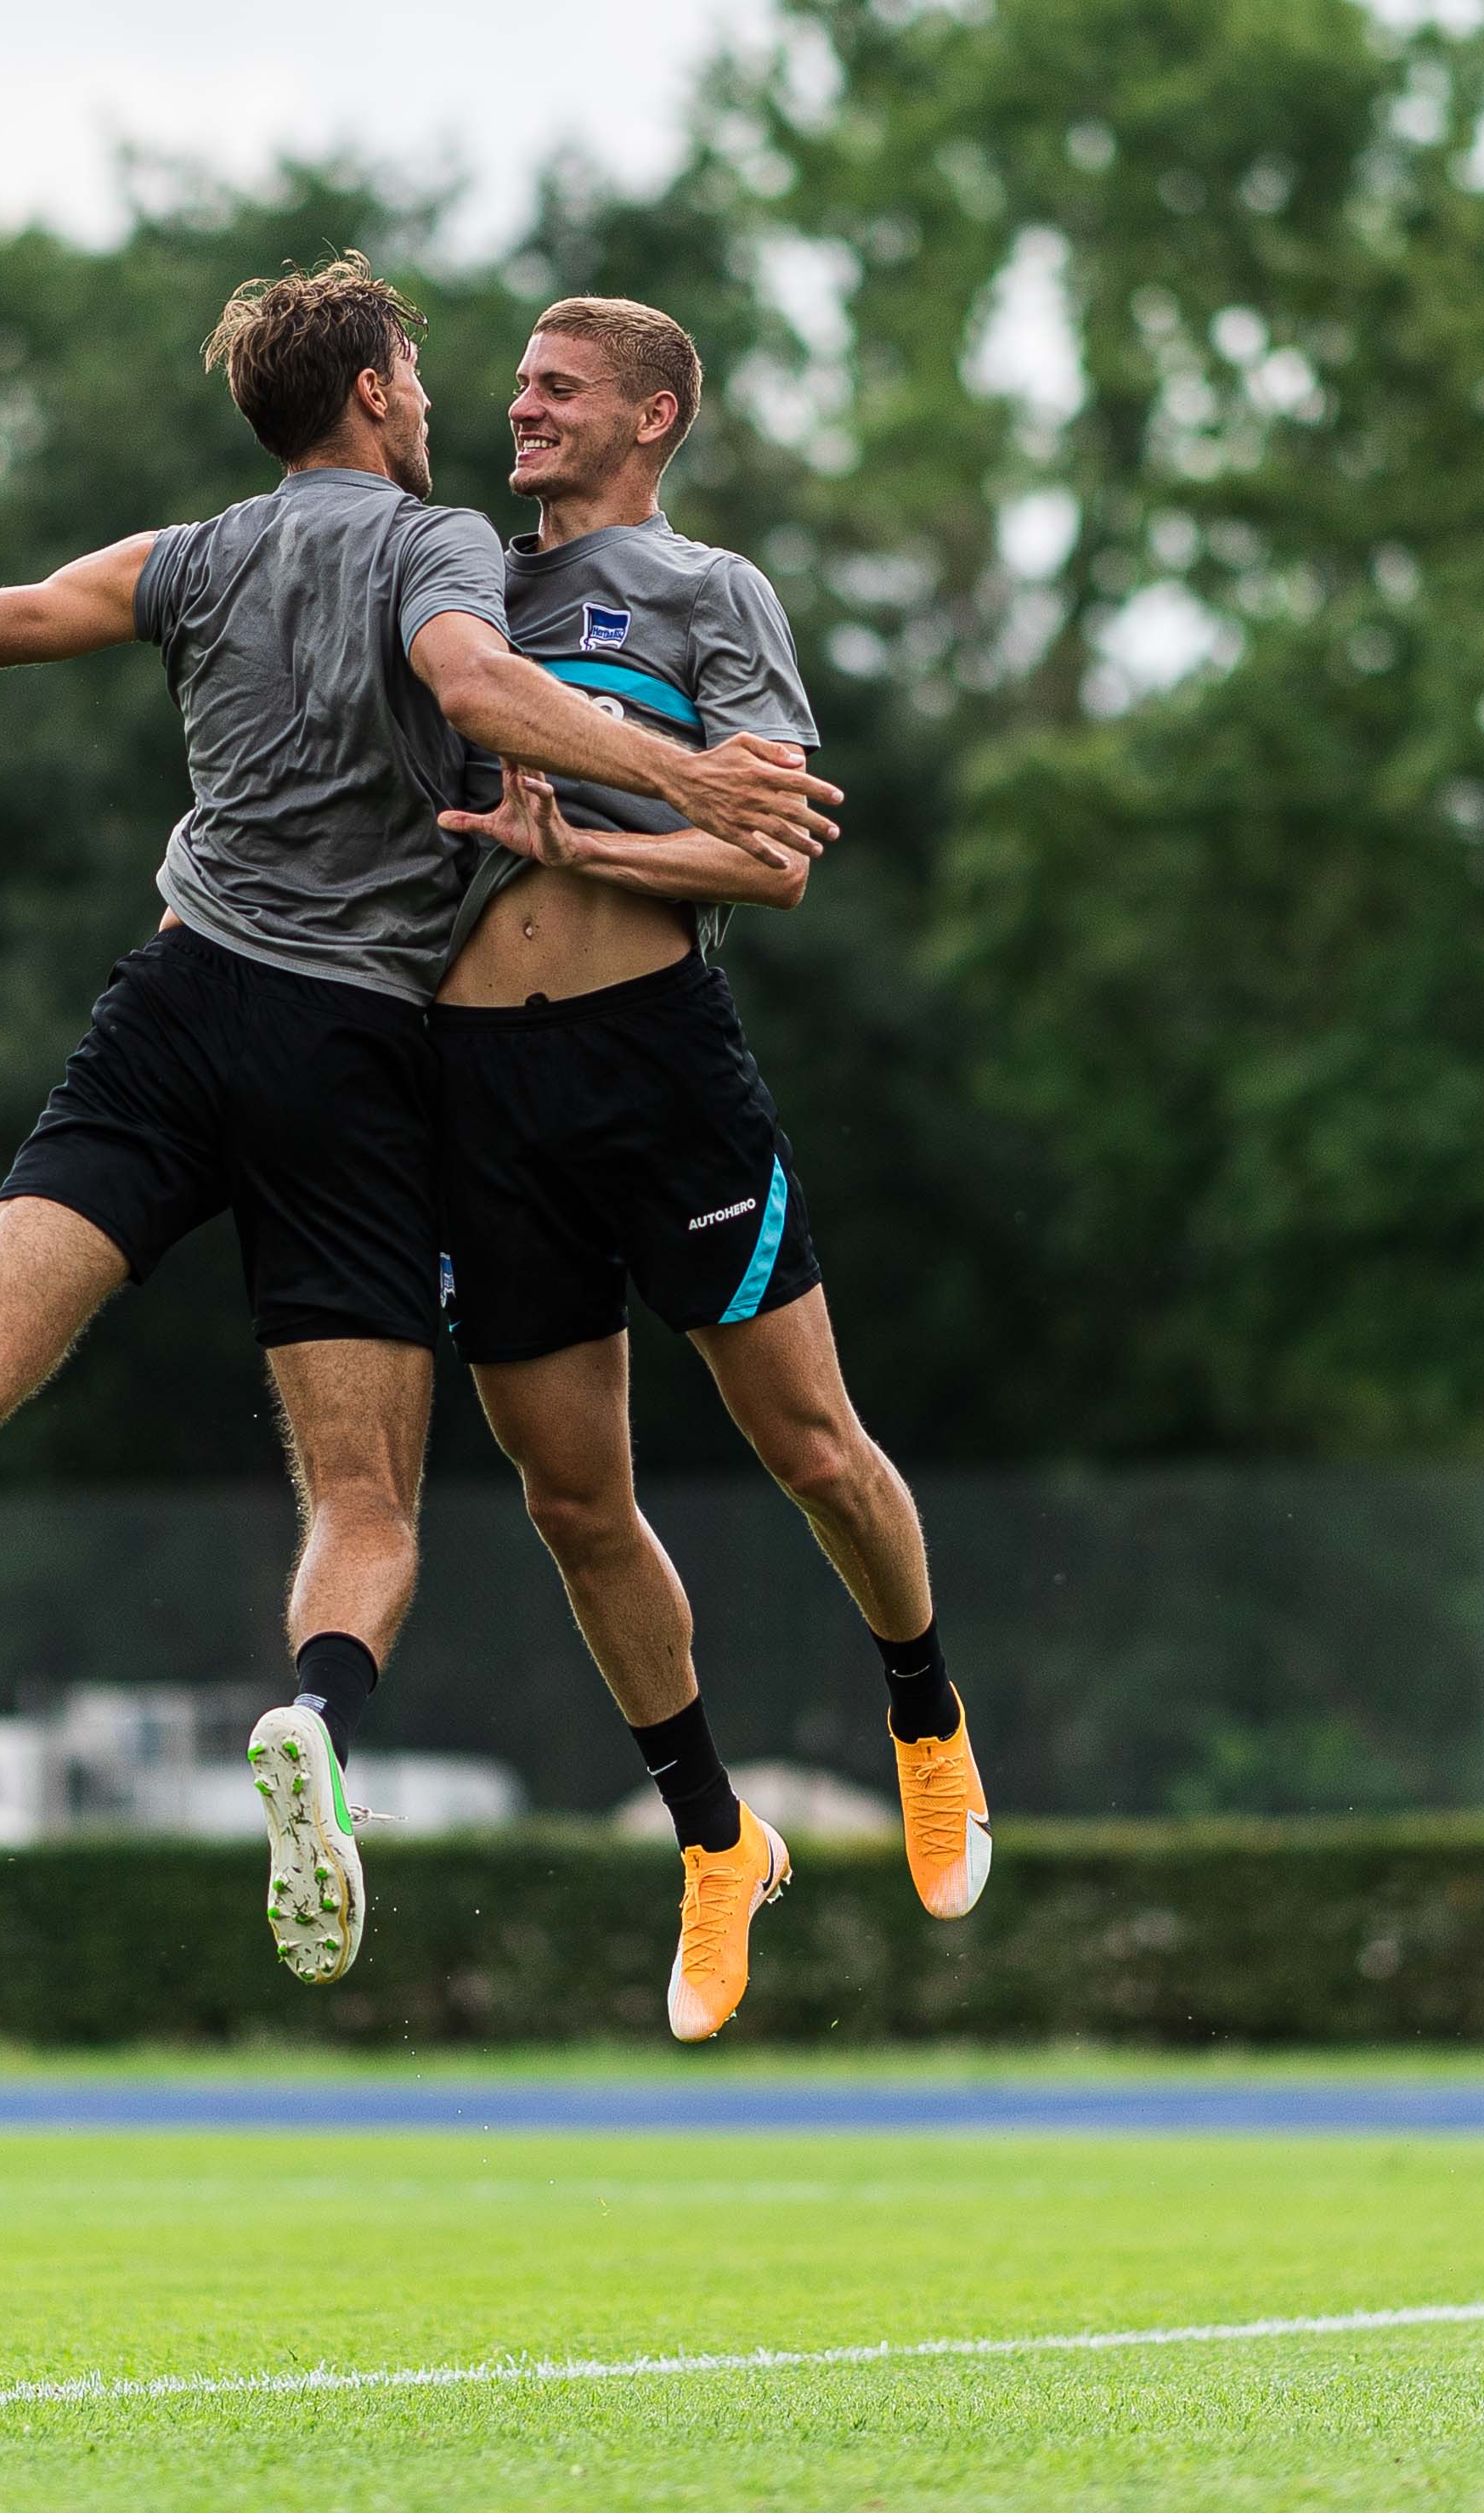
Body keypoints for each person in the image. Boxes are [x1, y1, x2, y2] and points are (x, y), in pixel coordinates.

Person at [0, 257, 838, 1991]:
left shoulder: (194, 557)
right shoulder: (438, 549)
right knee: (364, 1500)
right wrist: (689, 773)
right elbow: (483, 685)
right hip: (343, 1057)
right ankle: (310, 1721)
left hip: (173, 1003)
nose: (447, 403)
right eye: (423, 375)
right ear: (370, 396)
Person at [427, 298, 989, 2043]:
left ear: (654, 416)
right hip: (476, 1088)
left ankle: (926, 1718)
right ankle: (714, 1838)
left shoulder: (709, 595)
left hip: (655, 1069)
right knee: (571, 1501)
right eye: (516, 382)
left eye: (559, 387)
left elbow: (773, 860)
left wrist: (577, 829)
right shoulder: (447, 585)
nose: (518, 407)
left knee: (809, 1443)